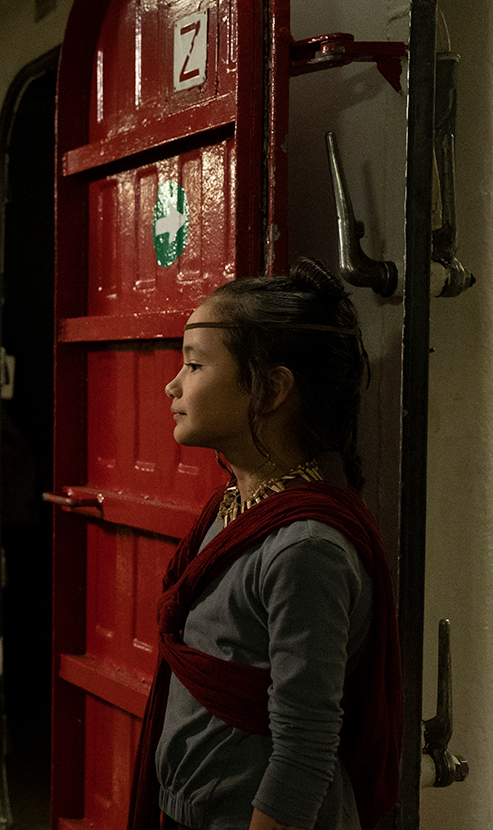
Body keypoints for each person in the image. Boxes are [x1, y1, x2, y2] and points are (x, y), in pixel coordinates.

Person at [128, 259, 403, 830]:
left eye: (195, 364)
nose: (172, 385)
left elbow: (304, 746)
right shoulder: (233, 505)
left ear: (272, 388)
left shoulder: (305, 547)